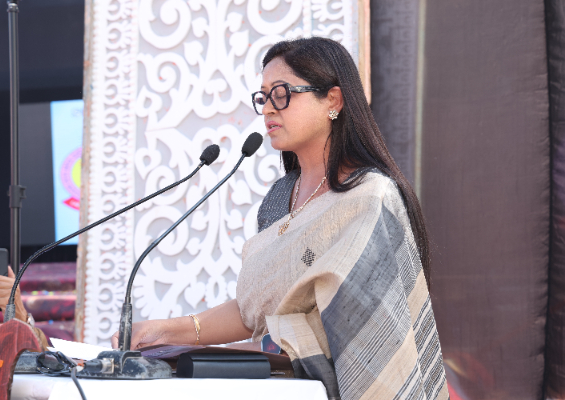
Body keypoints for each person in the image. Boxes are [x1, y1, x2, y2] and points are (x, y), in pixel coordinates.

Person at [112, 37, 448, 400]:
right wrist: (164, 332)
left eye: (282, 94)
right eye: (263, 97)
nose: (269, 109)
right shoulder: (279, 199)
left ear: (333, 101)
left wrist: (252, 350)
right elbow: (256, 312)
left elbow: (364, 331)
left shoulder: (369, 197)